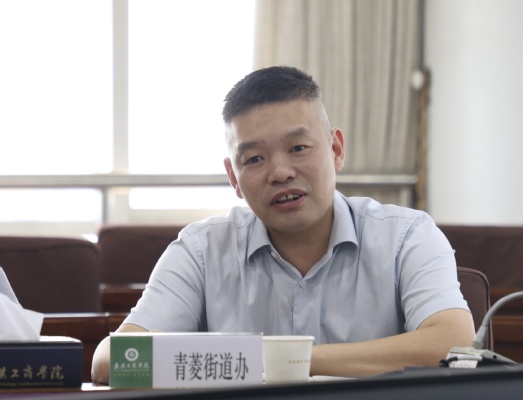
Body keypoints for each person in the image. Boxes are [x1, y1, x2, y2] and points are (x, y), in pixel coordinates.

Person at [91, 66, 475, 384]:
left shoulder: (406, 236)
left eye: (298, 148)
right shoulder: (201, 250)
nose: (280, 172)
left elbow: (452, 344)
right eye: (254, 159)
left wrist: (281, 361)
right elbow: (110, 360)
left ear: (336, 150)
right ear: (233, 177)